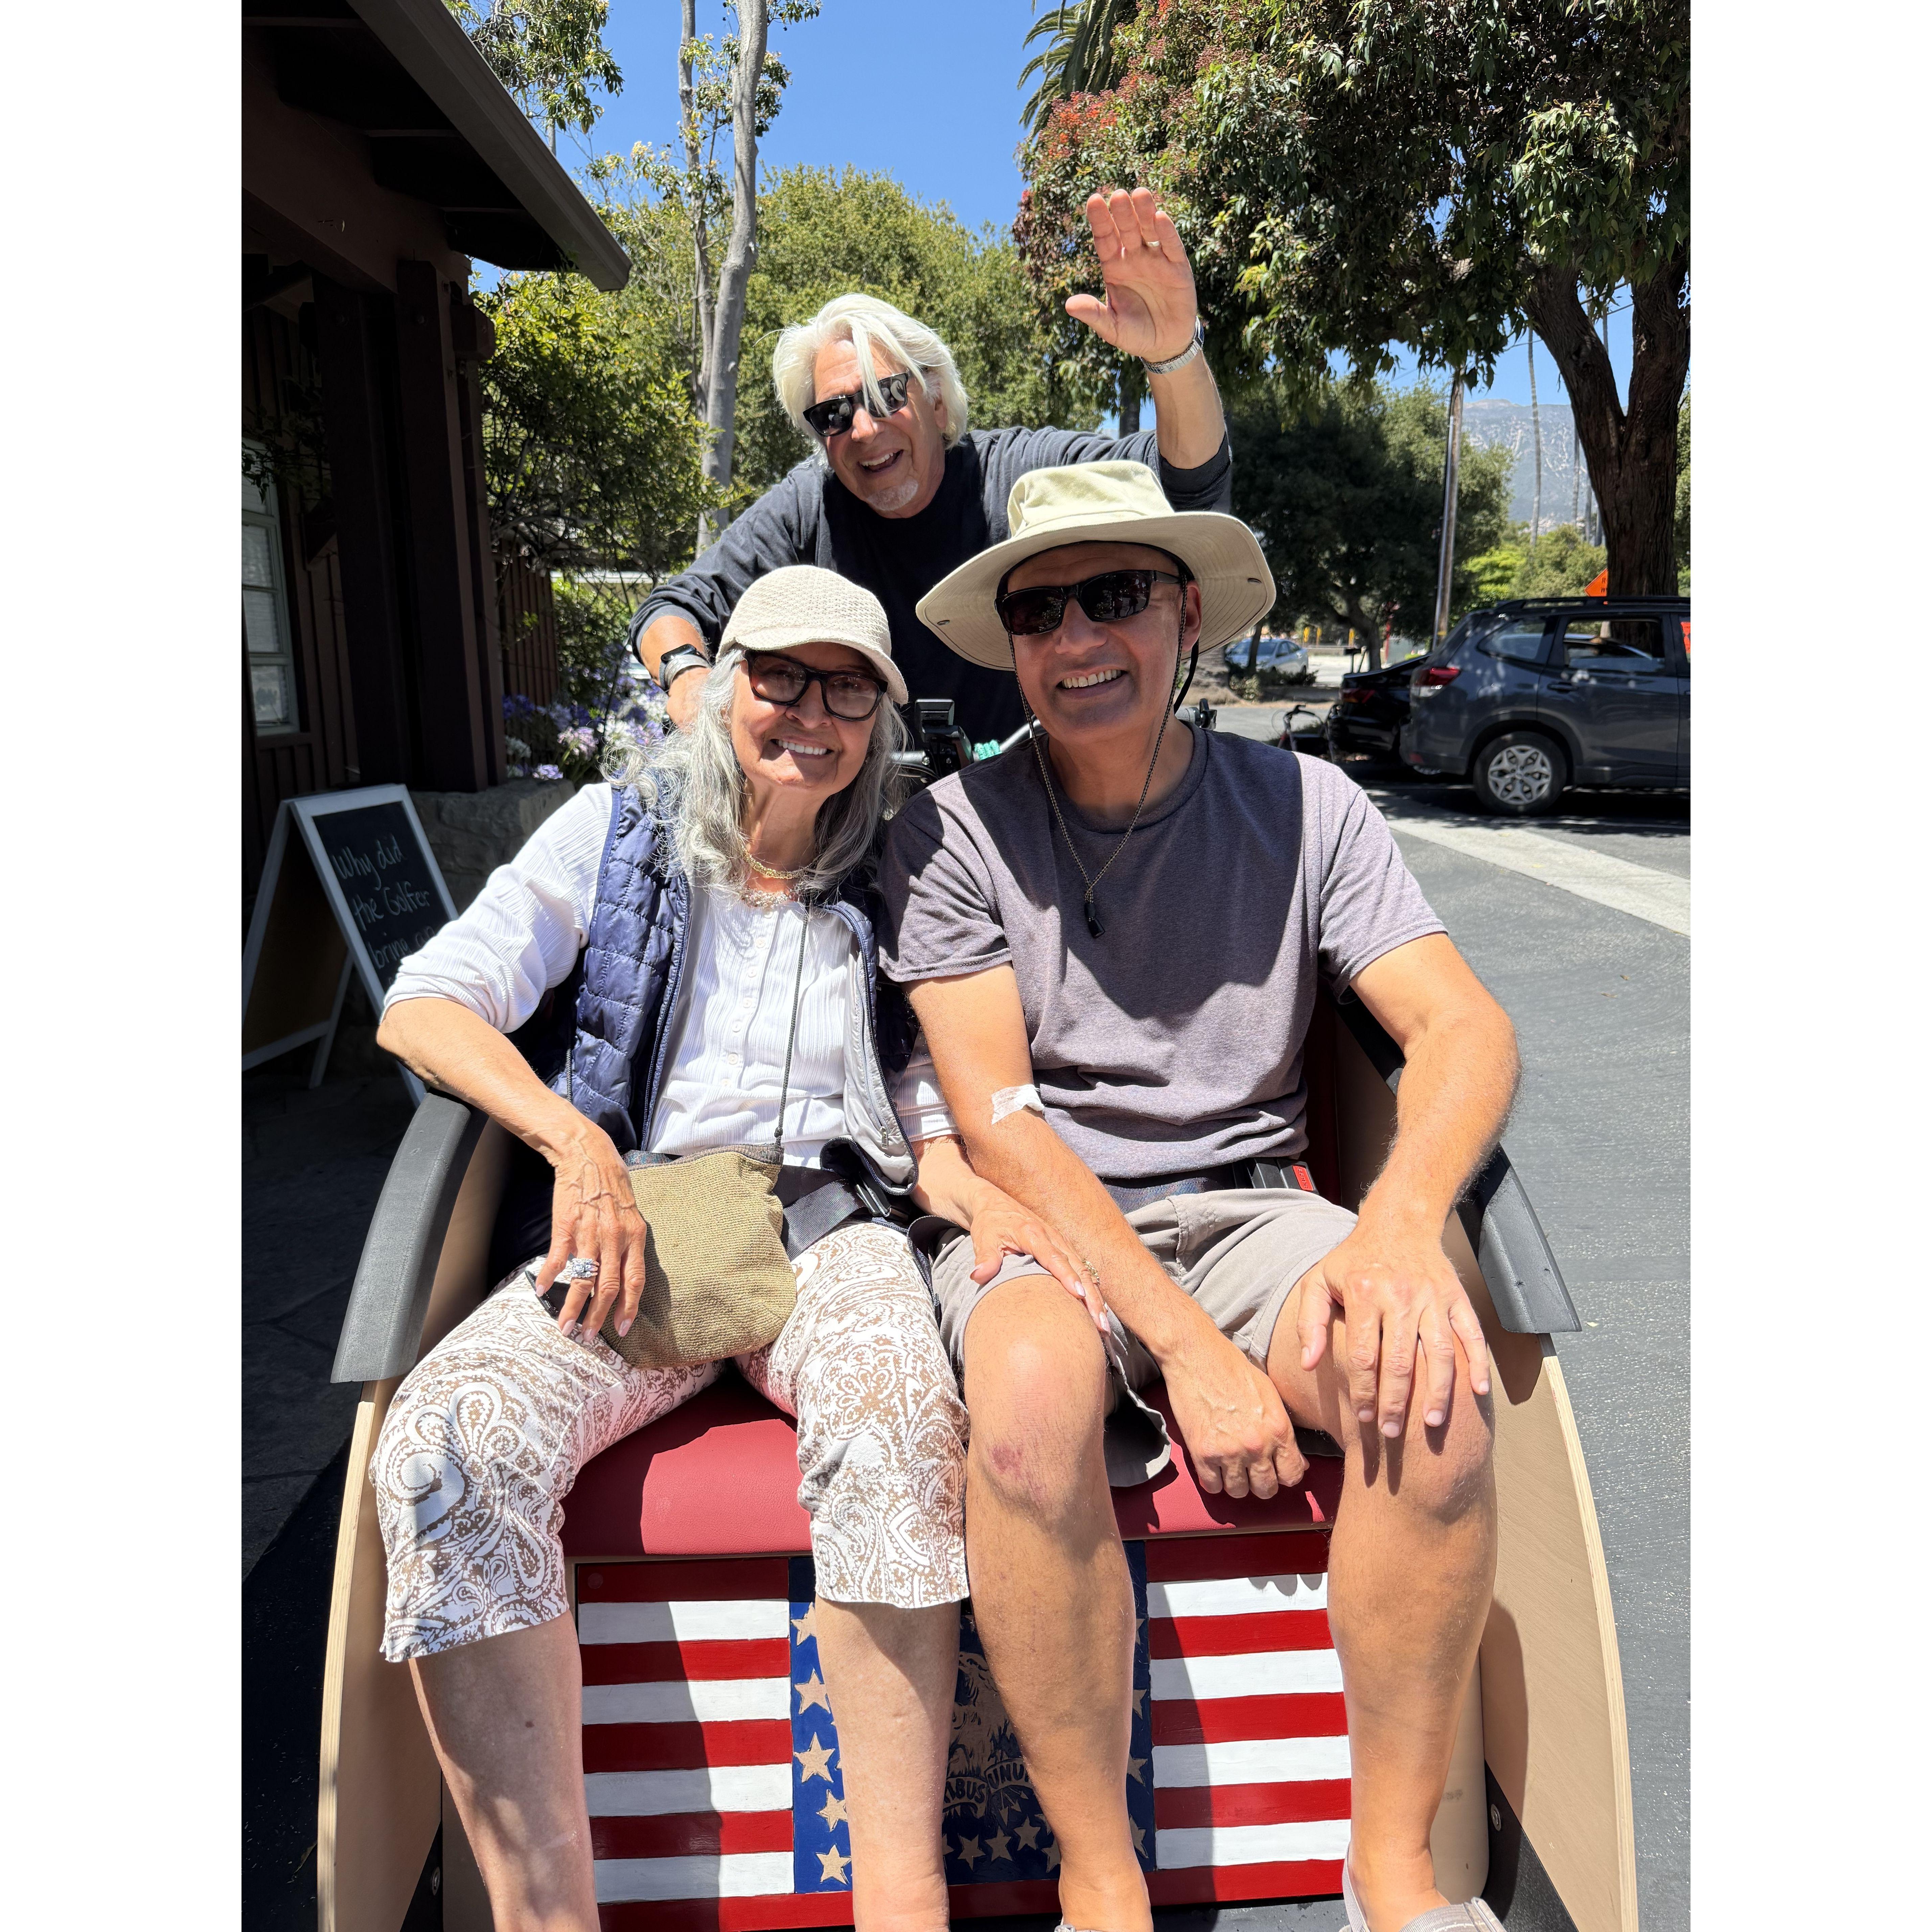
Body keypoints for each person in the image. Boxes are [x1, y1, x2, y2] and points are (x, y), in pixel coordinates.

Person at [371, 567, 1092, 1932]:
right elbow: (428, 1006)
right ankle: (544, 1916)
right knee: (447, 1447)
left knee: (894, 1409)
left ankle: (902, 1904)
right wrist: (574, 1146)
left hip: (830, 1225)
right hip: (642, 1216)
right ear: (723, 683)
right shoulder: (617, 831)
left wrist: (985, 1199)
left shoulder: (910, 864)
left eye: (847, 689)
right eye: (779, 678)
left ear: (882, 714)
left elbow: (925, 1104)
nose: (809, 715)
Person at [877, 463, 1521, 1932]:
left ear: (1185, 617)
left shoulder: (1312, 806)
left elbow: (1466, 1031)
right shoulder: (952, 832)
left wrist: (1405, 1223)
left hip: (1249, 1202)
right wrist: (1190, 1351)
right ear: (1012, 642)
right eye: (1043, 608)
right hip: (1038, 1215)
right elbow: (1004, 1125)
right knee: (1031, 1417)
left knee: (1433, 1393)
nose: (1079, 635)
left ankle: (1395, 1872)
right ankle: (1104, 1884)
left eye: (1117, 596)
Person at [634, 188, 1233, 746]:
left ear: (938, 400)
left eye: (888, 395)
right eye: (833, 415)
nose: (863, 430)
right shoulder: (809, 504)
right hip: (867, 825)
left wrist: (1174, 355)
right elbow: (673, 608)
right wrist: (687, 678)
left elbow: (1187, 490)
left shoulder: (1018, 474)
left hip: (1030, 811)